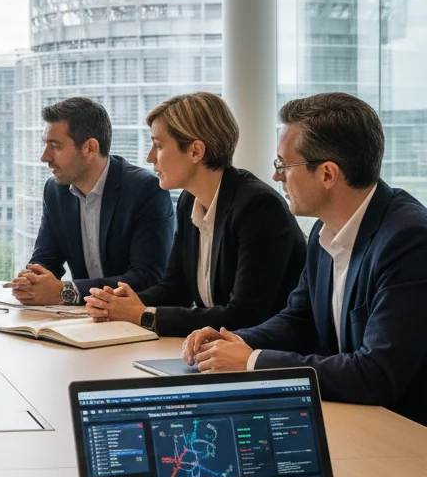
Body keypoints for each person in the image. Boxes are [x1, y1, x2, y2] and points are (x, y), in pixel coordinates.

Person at [183, 93, 427, 426]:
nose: (276, 177)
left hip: (406, 433)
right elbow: (299, 318)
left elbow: (377, 374)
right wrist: (236, 341)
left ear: (328, 174)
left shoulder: (409, 240)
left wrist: (253, 361)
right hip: (354, 416)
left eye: (283, 165)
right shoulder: (323, 230)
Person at [84, 92, 306, 336]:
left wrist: (142, 314)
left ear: (196, 151)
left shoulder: (259, 207)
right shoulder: (189, 200)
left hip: (262, 355)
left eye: (158, 146)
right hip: (213, 349)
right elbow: (175, 289)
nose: (150, 157)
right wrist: (119, 303)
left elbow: (245, 315)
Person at [8, 97, 173, 306]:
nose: (45, 157)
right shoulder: (55, 190)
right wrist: (31, 281)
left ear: (90, 148)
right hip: (85, 319)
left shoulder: (145, 190)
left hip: (137, 321)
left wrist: (66, 291)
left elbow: (147, 277)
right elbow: (46, 258)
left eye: (55, 146)